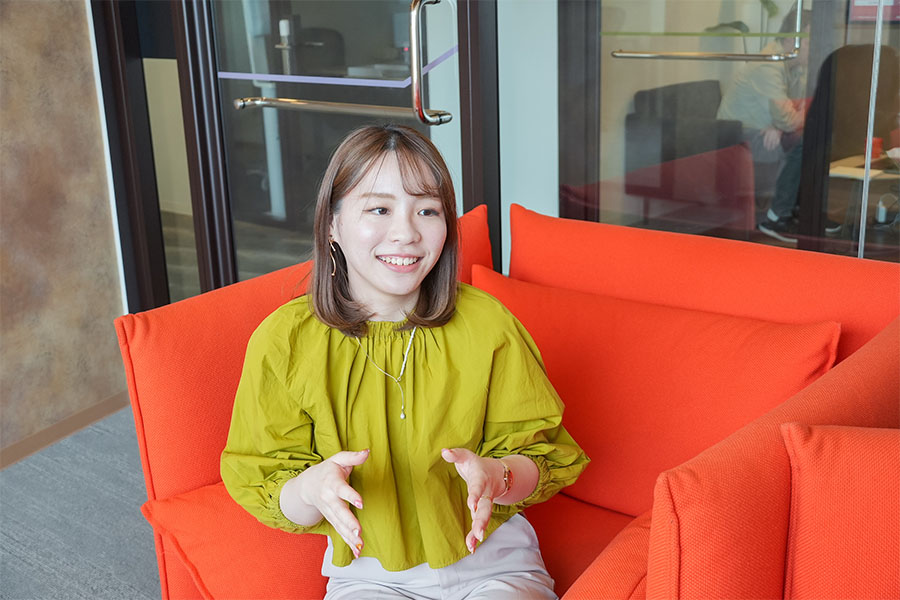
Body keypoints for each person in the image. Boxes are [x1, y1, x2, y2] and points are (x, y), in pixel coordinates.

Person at [221, 124, 589, 600]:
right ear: (332, 224)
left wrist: (496, 476)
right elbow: (266, 480)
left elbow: (541, 457)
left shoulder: (488, 325)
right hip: (367, 576)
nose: (406, 233)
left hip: (496, 566)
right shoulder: (286, 341)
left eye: (427, 210)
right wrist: (312, 490)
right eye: (379, 209)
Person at [717, 8, 812, 217]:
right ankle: (773, 215)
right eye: (809, 42)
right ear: (791, 40)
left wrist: (780, 123)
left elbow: (795, 109)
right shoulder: (769, 65)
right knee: (802, 140)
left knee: (809, 136)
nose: (814, 48)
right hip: (736, 136)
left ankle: (791, 209)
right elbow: (792, 117)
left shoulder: (795, 68)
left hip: (760, 129)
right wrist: (783, 122)